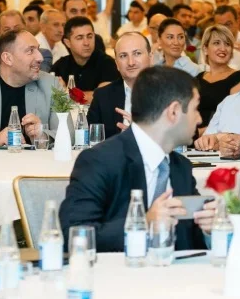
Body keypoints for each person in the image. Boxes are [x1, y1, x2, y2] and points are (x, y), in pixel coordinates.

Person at [60, 66, 212, 252]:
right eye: (195, 109)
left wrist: (209, 229)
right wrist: (143, 224)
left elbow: (190, 241)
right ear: (173, 112)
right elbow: (74, 234)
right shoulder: (100, 161)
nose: (199, 119)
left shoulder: (181, 167)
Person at [87, 32, 153, 140]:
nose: (131, 62)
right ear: (117, 63)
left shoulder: (169, 94)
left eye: (137, 53)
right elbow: (92, 141)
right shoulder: (102, 96)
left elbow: (179, 138)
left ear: (150, 57)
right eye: (123, 56)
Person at [50, 16, 120, 99]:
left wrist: (65, 93)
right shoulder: (60, 65)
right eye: (79, 38)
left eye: (89, 36)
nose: (86, 43)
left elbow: (102, 96)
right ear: (67, 43)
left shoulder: (107, 63)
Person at [193, 25, 240, 131]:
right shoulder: (198, 79)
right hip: (192, 135)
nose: (223, 49)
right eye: (216, 43)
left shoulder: (238, 78)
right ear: (205, 49)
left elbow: (237, 120)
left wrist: (201, 132)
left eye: (227, 44)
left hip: (219, 137)